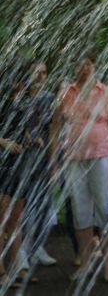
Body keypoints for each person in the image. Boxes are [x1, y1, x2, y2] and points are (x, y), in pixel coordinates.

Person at [50, 52, 108, 282]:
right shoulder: (65, 93)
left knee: (104, 210)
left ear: (95, 67)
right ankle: (85, 265)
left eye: (88, 64)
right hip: (73, 159)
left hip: (102, 158)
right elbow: (55, 128)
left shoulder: (105, 92)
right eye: (80, 65)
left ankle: (107, 266)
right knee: (80, 212)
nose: (84, 69)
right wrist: (53, 159)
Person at [0, 61, 54, 287]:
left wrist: (31, 139)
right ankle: (1, 273)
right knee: (2, 221)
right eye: (16, 81)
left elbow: (23, 129)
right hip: (2, 166)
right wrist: (4, 142)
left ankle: (18, 268)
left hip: (18, 165)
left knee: (15, 220)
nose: (18, 85)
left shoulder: (19, 104)